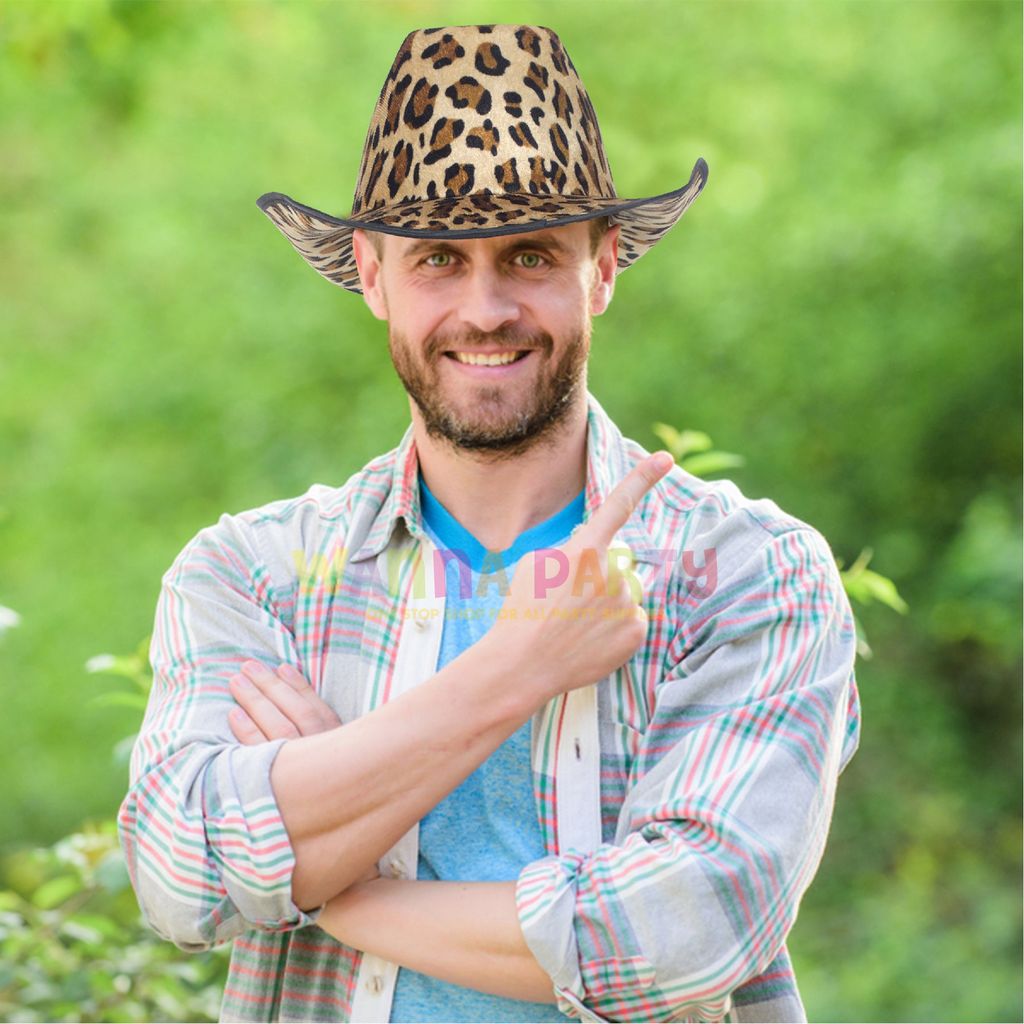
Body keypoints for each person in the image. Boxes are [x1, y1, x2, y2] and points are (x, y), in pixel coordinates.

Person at [118, 23, 861, 1024]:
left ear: (602, 268)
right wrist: (520, 665)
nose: (485, 309)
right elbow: (180, 877)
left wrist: (328, 882)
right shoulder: (255, 576)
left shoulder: (744, 572)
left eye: (529, 255)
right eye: (437, 260)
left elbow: (691, 933)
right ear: (372, 274)